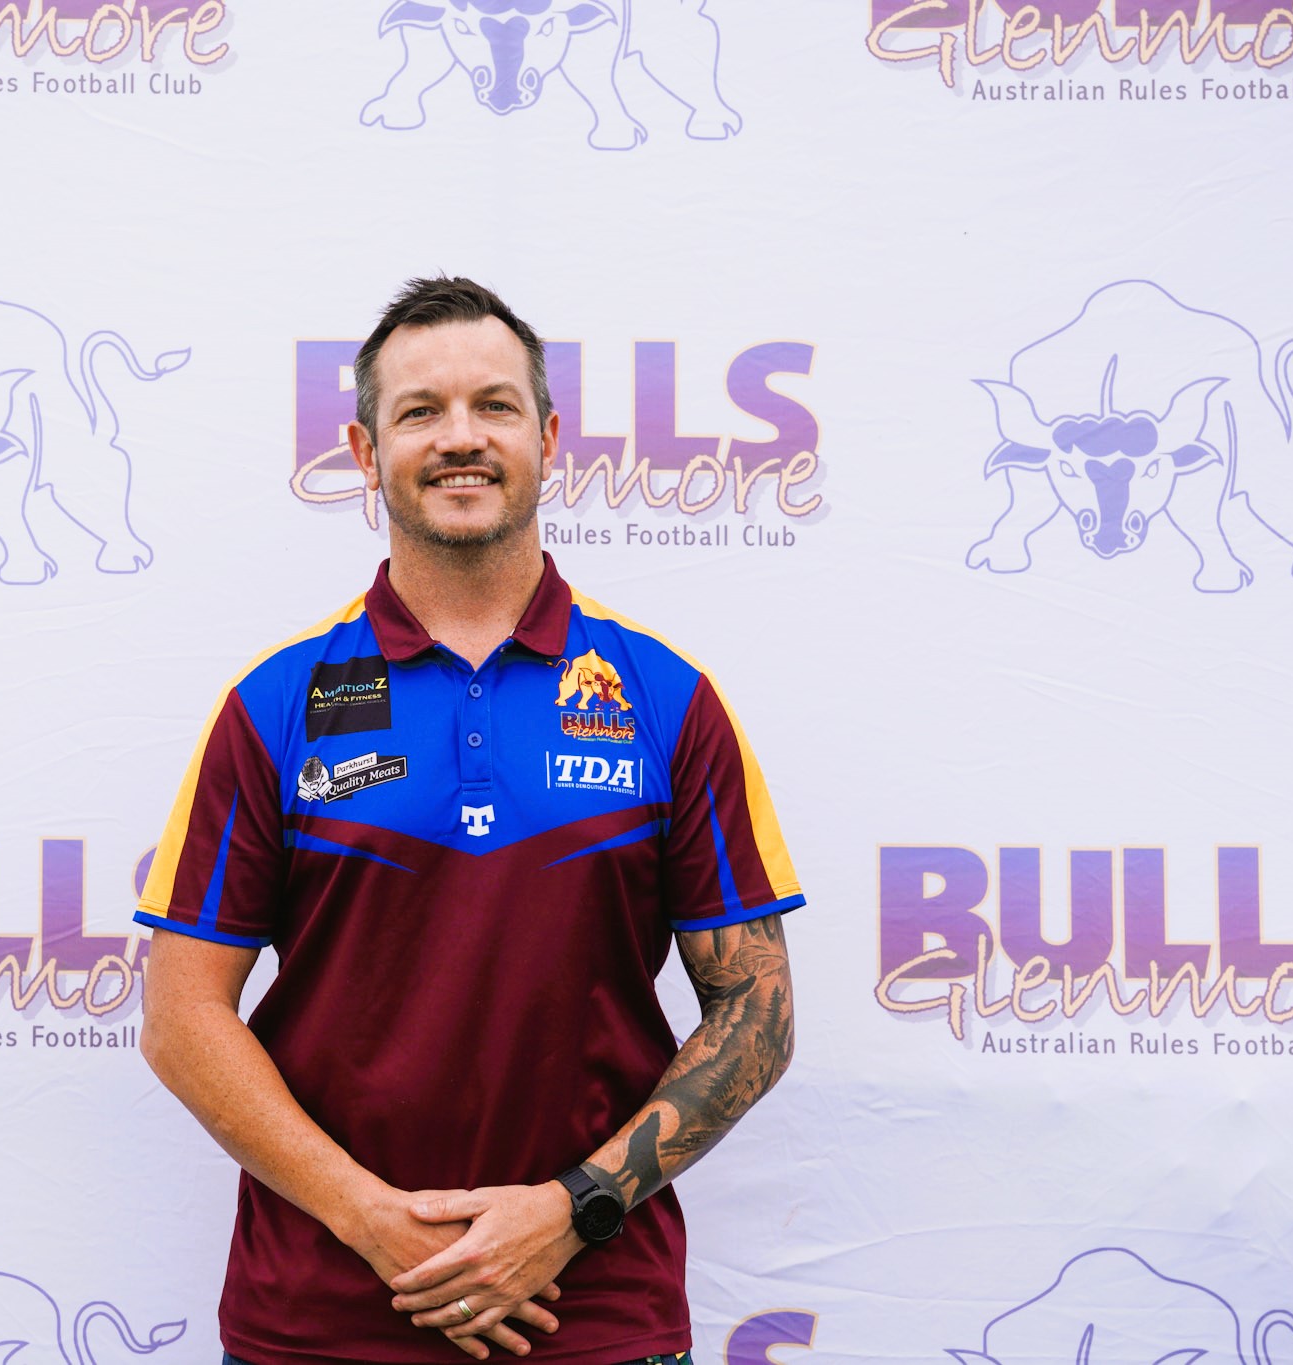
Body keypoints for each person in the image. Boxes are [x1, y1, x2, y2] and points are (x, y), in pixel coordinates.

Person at [136, 276, 803, 1365]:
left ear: (548, 439)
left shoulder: (666, 696)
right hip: (319, 1323)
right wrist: (370, 1220)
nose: (460, 437)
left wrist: (572, 1209)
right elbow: (180, 1018)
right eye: (420, 411)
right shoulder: (276, 702)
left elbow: (757, 1013)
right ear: (365, 452)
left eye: (494, 405)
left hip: (595, 1320)